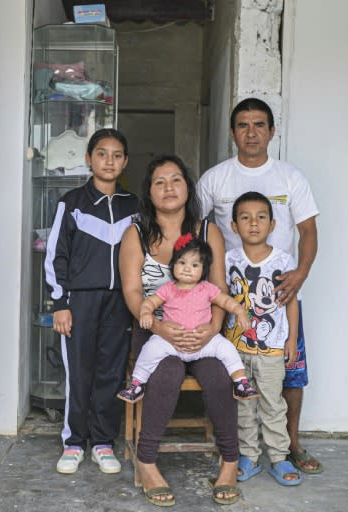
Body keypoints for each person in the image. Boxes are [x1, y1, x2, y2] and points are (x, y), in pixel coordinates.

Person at [197, 97, 323, 475]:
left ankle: (291, 445)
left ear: (271, 130)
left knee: (290, 373)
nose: (251, 133)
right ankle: (242, 449)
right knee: (239, 377)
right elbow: (196, 231)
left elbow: (308, 231)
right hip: (230, 298)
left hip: (281, 297)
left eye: (259, 125)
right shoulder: (215, 179)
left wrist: (300, 273)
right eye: (243, 125)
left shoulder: (290, 177)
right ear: (232, 132)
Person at [119, 154, 241, 506]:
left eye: (176, 179)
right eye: (159, 181)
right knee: (168, 372)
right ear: (149, 191)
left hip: (203, 327)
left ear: (188, 188)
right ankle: (147, 459)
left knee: (219, 375)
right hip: (153, 327)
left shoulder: (208, 231)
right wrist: (160, 327)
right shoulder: (136, 232)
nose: (168, 187)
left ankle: (230, 461)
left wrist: (212, 329)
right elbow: (131, 292)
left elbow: (219, 289)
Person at [45, 128, 138, 475]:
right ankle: (73, 442)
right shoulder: (71, 203)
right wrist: (60, 302)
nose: (109, 161)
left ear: (125, 161)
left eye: (117, 155)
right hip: (79, 301)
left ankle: (102, 442)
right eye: (102, 153)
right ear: (89, 158)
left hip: (120, 303)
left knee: (110, 373)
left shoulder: (134, 206)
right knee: (79, 373)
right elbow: (57, 255)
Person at [117, 234, 258, 403]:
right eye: (181, 262)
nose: (187, 268)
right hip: (172, 343)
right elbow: (149, 302)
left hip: (203, 343)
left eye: (195, 265)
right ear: (173, 265)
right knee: (150, 348)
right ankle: (137, 384)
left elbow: (226, 301)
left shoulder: (207, 288)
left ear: (204, 269)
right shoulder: (168, 288)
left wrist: (240, 312)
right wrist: (146, 313)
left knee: (226, 348)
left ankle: (240, 383)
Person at [225, 191, 303, 486]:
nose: (253, 224)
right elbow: (221, 298)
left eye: (261, 218)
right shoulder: (229, 259)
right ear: (234, 226)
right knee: (243, 405)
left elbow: (291, 301)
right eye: (245, 218)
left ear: (272, 224)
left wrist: (292, 339)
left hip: (272, 349)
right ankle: (249, 457)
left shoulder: (283, 260)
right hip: (236, 349)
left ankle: (279, 457)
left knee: (272, 404)